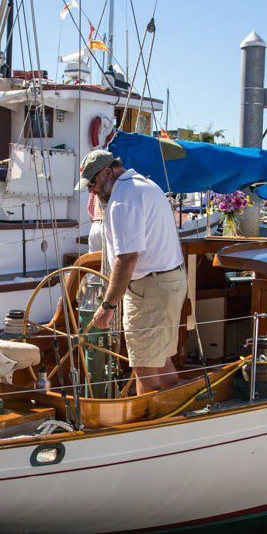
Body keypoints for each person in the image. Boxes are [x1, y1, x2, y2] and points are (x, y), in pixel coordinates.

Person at [79, 150, 186, 394]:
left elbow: (127, 259)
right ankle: (174, 416)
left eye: (92, 184)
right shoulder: (146, 185)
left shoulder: (122, 200)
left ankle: (150, 425)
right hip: (169, 283)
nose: (92, 192)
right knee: (161, 362)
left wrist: (107, 306)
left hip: (149, 291)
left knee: (144, 369)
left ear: (107, 172)